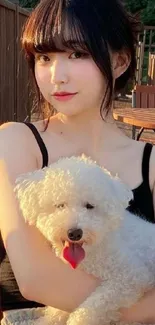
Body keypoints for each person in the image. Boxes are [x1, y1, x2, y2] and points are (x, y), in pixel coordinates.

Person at [1, 0, 155, 323]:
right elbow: (35, 278)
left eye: (77, 54)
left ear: (121, 61)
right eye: (44, 57)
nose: (57, 76)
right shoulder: (14, 142)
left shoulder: (150, 163)